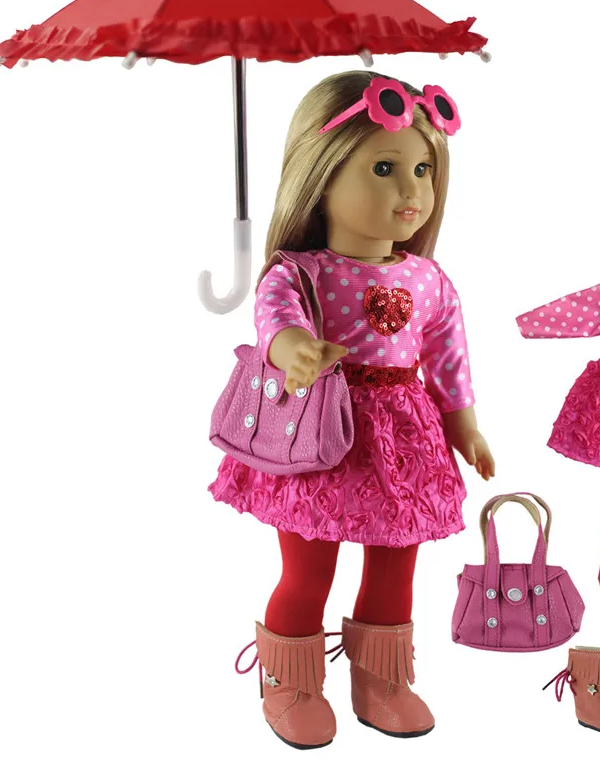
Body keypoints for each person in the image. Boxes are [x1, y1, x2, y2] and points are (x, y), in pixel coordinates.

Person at [209, 70, 495, 748]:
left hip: (405, 443)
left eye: (423, 170)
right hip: (320, 438)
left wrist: (465, 425)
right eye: (385, 169)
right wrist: (295, 349)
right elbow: (274, 319)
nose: (410, 191)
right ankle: (290, 679)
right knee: (310, 569)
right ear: (321, 173)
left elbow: (449, 358)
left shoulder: (428, 279)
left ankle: (381, 676)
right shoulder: (299, 271)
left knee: (397, 565)